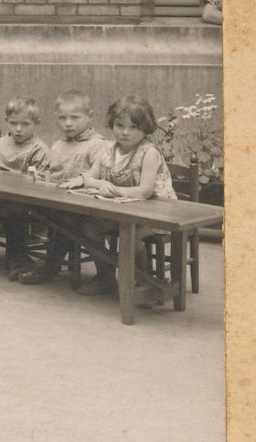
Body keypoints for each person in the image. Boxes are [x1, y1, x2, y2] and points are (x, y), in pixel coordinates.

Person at [66, 94, 177, 297]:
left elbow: (144, 191)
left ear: (145, 128)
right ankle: (105, 276)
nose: (125, 132)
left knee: (130, 233)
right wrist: (96, 183)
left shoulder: (148, 153)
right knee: (88, 227)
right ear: (112, 124)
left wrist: (113, 189)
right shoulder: (109, 150)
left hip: (155, 214)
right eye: (119, 125)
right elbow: (89, 178)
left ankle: (146, 282)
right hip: (123, 211)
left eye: (133, 127)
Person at [16, 91, 112, 287]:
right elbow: (54, 175)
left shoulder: (98, 145)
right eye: (62, 118)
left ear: (89, 116)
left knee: (75, 223)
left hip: (91, 208)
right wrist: (41, 177)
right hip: (62, 204)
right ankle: (24, 260)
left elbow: (100, 176)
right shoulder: (59, 145)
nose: (68, 123)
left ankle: (105, 275)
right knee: (32, 210)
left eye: (75, 118)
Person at [0, 97, 51, 275]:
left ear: (36, 123)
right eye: (13, 123)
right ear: (6, 121)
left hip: (26, 198)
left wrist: (15, 176)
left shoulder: (38, 148)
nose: (18, 129)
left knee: (13, 209)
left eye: (25, 124)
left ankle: (16, 255)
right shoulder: (2, 142)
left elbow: (41, 178)